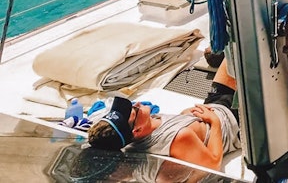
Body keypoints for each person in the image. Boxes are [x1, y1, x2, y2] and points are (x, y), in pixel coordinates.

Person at [87, 60, 240, 171]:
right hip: (236, 122)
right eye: (135, 110)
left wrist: (186, 115)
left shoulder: (144, 129)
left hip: (214, 104)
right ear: (136, 130)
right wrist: (214, 122)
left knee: (235, 49)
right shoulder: (178, 138)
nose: (137, 104)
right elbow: (213, 163)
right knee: (249, 57)